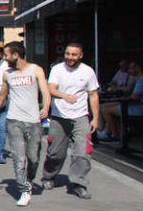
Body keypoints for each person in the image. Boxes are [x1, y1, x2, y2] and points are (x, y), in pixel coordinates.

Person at [0, 42, 50, 207]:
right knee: (18, 158)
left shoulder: (36, 70)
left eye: (6, 55)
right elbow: (1, 96)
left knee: (33, 158)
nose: (5, 59)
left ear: (16, 55)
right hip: (14, 121)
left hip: (33, 121)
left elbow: (45, 91)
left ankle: (29, 180)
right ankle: (24, 190)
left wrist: (46, 107)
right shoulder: (7, 74)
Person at [41, 43, 100, 200]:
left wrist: (95, 118)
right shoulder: (57, 69)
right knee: (55, 153)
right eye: (67, 54)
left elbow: (93, 94)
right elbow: (50, 89)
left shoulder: (88, 71)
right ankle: (48, 176)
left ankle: (79, 184)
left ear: (80, 55)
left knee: (83, 151)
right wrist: (64, 96)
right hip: (59, 117)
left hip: (81, 117)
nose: (70, 57)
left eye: (74, 54)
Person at [101, 62, 142, 141]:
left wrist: (122, 99)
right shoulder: (138, 79)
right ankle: (107, 131)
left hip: (138, 107)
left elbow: (135, 97)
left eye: (131, 68)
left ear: (137, 68)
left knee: (105, 110)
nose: (129, 70)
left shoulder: (142, 80)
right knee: (103, 106)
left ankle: (114, 134)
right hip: (132, 104)